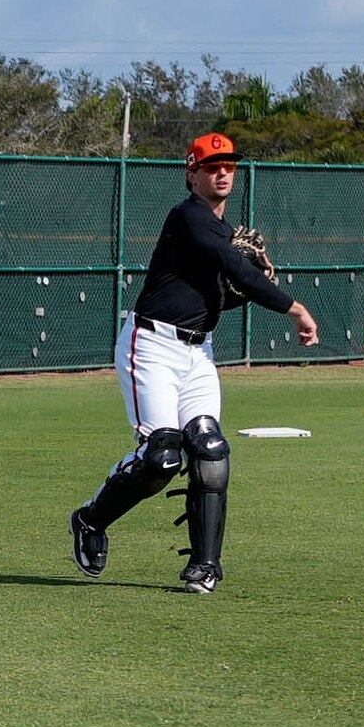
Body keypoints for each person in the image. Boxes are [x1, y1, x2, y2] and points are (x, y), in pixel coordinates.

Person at [68, 132, 319, 594]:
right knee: (161, 456)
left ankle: (205, 566)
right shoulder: (189, 217)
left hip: (197, 350)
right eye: (211, 166)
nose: (222, 172)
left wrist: (245, 291)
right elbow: (231, 265)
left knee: (210, 449)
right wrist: (293, 307)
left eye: (228, 166)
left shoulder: (223, 232)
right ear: (192, 173)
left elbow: (217, 299)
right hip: (152, 345)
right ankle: (89, 520)